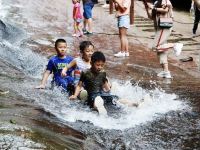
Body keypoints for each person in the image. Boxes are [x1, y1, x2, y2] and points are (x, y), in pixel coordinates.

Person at [69, 51, 139, 116]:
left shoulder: (102, 73)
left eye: (102, 65)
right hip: (91, 95)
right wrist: (75, 95)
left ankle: (134, 104)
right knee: (95, 100)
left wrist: (110, 91)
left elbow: (105, 83)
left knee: (115, 99)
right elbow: (79, 86)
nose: (100, 67)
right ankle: (100, 108)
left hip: (102, 93)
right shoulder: (85, 73)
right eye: (98, 65)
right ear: (91, 63)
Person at [147, 0, 183, 78]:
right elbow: (152, 17)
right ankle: (166, 72)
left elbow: (165, 10)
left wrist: (153, 8)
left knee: (155, 47)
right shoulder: (156, 2)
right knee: (161, 50)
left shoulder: (165, 0)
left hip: (164, 26)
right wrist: (148, 9)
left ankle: (175, 45)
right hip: (159, 28)